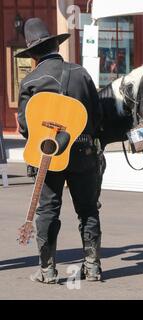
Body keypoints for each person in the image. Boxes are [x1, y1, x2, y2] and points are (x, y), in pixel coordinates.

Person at [16, 18, 103, 284]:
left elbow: (23, 126)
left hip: (48, 157)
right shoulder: (81, 73)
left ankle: (48, 271)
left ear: (32, 54)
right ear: (55, 45)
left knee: (47, 211)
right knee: (88, 210)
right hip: (83, 152)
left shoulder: (31, 81)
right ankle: (92, 267)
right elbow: (97, 118)